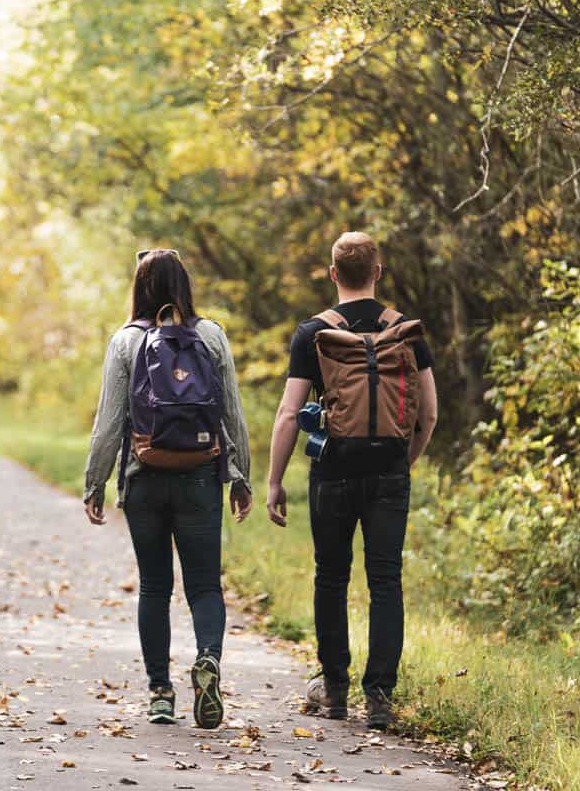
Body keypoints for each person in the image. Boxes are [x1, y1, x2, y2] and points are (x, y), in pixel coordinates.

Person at [266, 232, 438, 729]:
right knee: (385, 581)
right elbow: (428, 414)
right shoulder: (407, 330)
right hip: (388, 468)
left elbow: (288, 413)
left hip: (333, 471)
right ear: (378, 272)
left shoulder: (313, 333)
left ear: (333, 273)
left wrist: (275, 481)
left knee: (331, 577)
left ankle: (335, 690)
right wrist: (405, 461)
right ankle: (380, 697)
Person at [83, 248, 252, 730]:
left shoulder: (125, 341)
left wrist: (95, 482)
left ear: (140, 288)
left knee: (155, 587)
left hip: (144, 479)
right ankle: (208, 660)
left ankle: (160, 693)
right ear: (185, 286)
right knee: (204, 585)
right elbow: (232, 414)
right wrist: (239, 476)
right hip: (201, 477)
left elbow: (109, 421)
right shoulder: (212, 335)